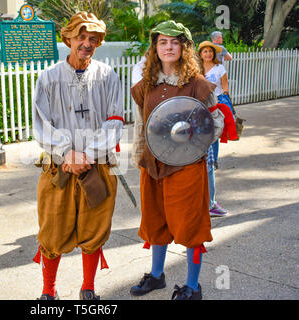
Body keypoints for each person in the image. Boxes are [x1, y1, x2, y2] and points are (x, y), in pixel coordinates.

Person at [31, 12, 124, 300]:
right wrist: (67, 152)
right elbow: (40, 122)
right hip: (59, 168)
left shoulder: (108, 76)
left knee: (94, 228)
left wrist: (89, 155)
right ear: (68, 38)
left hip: (98, 167)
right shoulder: (48, 78)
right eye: (81, 37)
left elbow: (115, 120)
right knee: (53, 230)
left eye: (92, 39)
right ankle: (49, 291)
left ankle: (88, 289)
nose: (86, 44)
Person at [129, 20, 224, 300]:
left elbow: (215, 123)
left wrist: (193, 147)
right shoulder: (145, 85)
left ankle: (192, 287)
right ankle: (157, 276)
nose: (168, 47)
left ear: (184, 48)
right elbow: (140, 125)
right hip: (153, 165)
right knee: (155, 221)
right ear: (155, 48)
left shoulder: (199, 85)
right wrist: (139, 157)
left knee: (191, 225)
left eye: (174, 42)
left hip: (187, 167)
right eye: (162, 42)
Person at [197, 40, 237, 217]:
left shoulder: (219, 69)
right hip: (198, 113)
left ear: (214, 53)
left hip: (214, 110)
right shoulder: (195, 70)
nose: (207, 54)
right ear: (200, 54)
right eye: (204, 51)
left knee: (210, 159)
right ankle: (205, 202)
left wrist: (226, 105)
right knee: (200, 160)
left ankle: (210, 202)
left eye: (210, 51)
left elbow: (225, 87)